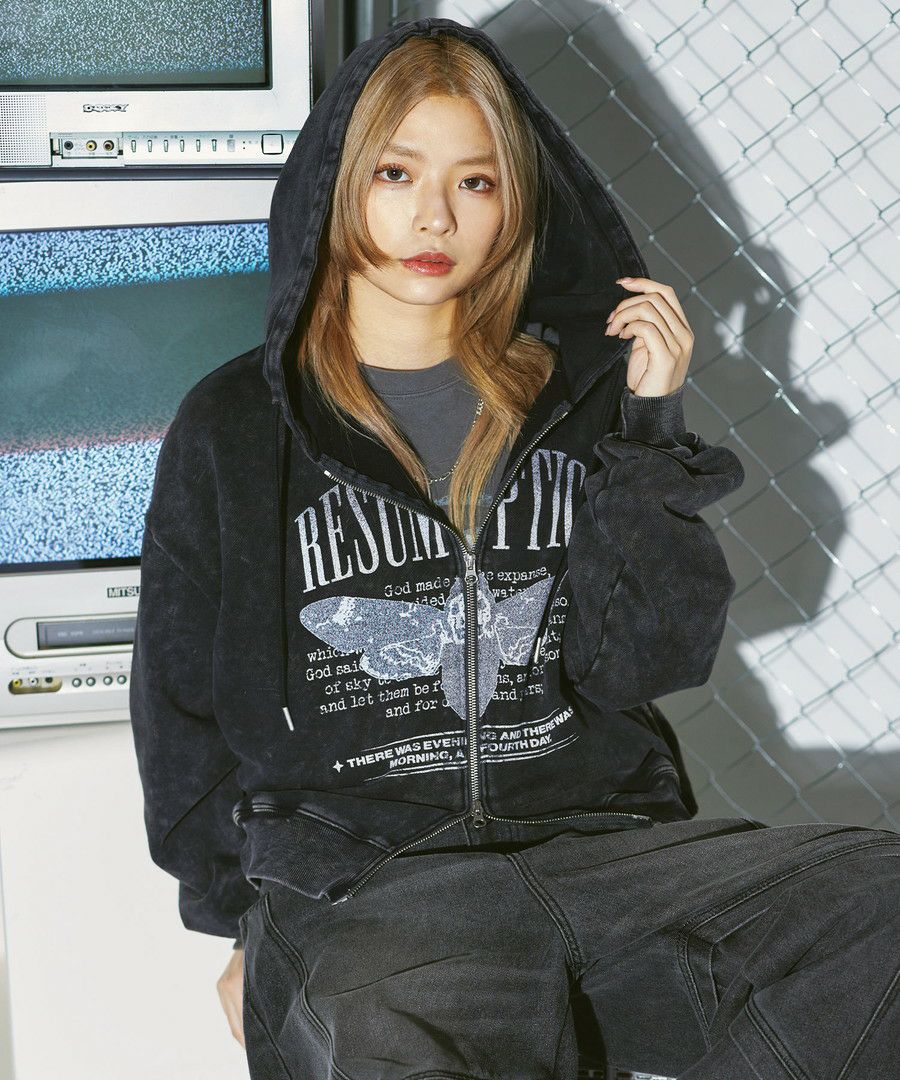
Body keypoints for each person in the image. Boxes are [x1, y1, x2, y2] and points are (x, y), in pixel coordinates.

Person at [129, 17, 900, 1080]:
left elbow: (644, 664)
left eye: (476, 182)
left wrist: (648, 433)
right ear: (338, 186)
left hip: (605, 852)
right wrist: (233, 920)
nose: (434, 215)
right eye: (397, 172)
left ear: (515, 205)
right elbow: (180, 702)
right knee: (401, 1018)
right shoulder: (236, 428)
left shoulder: (577, 401)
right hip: (373, 880)